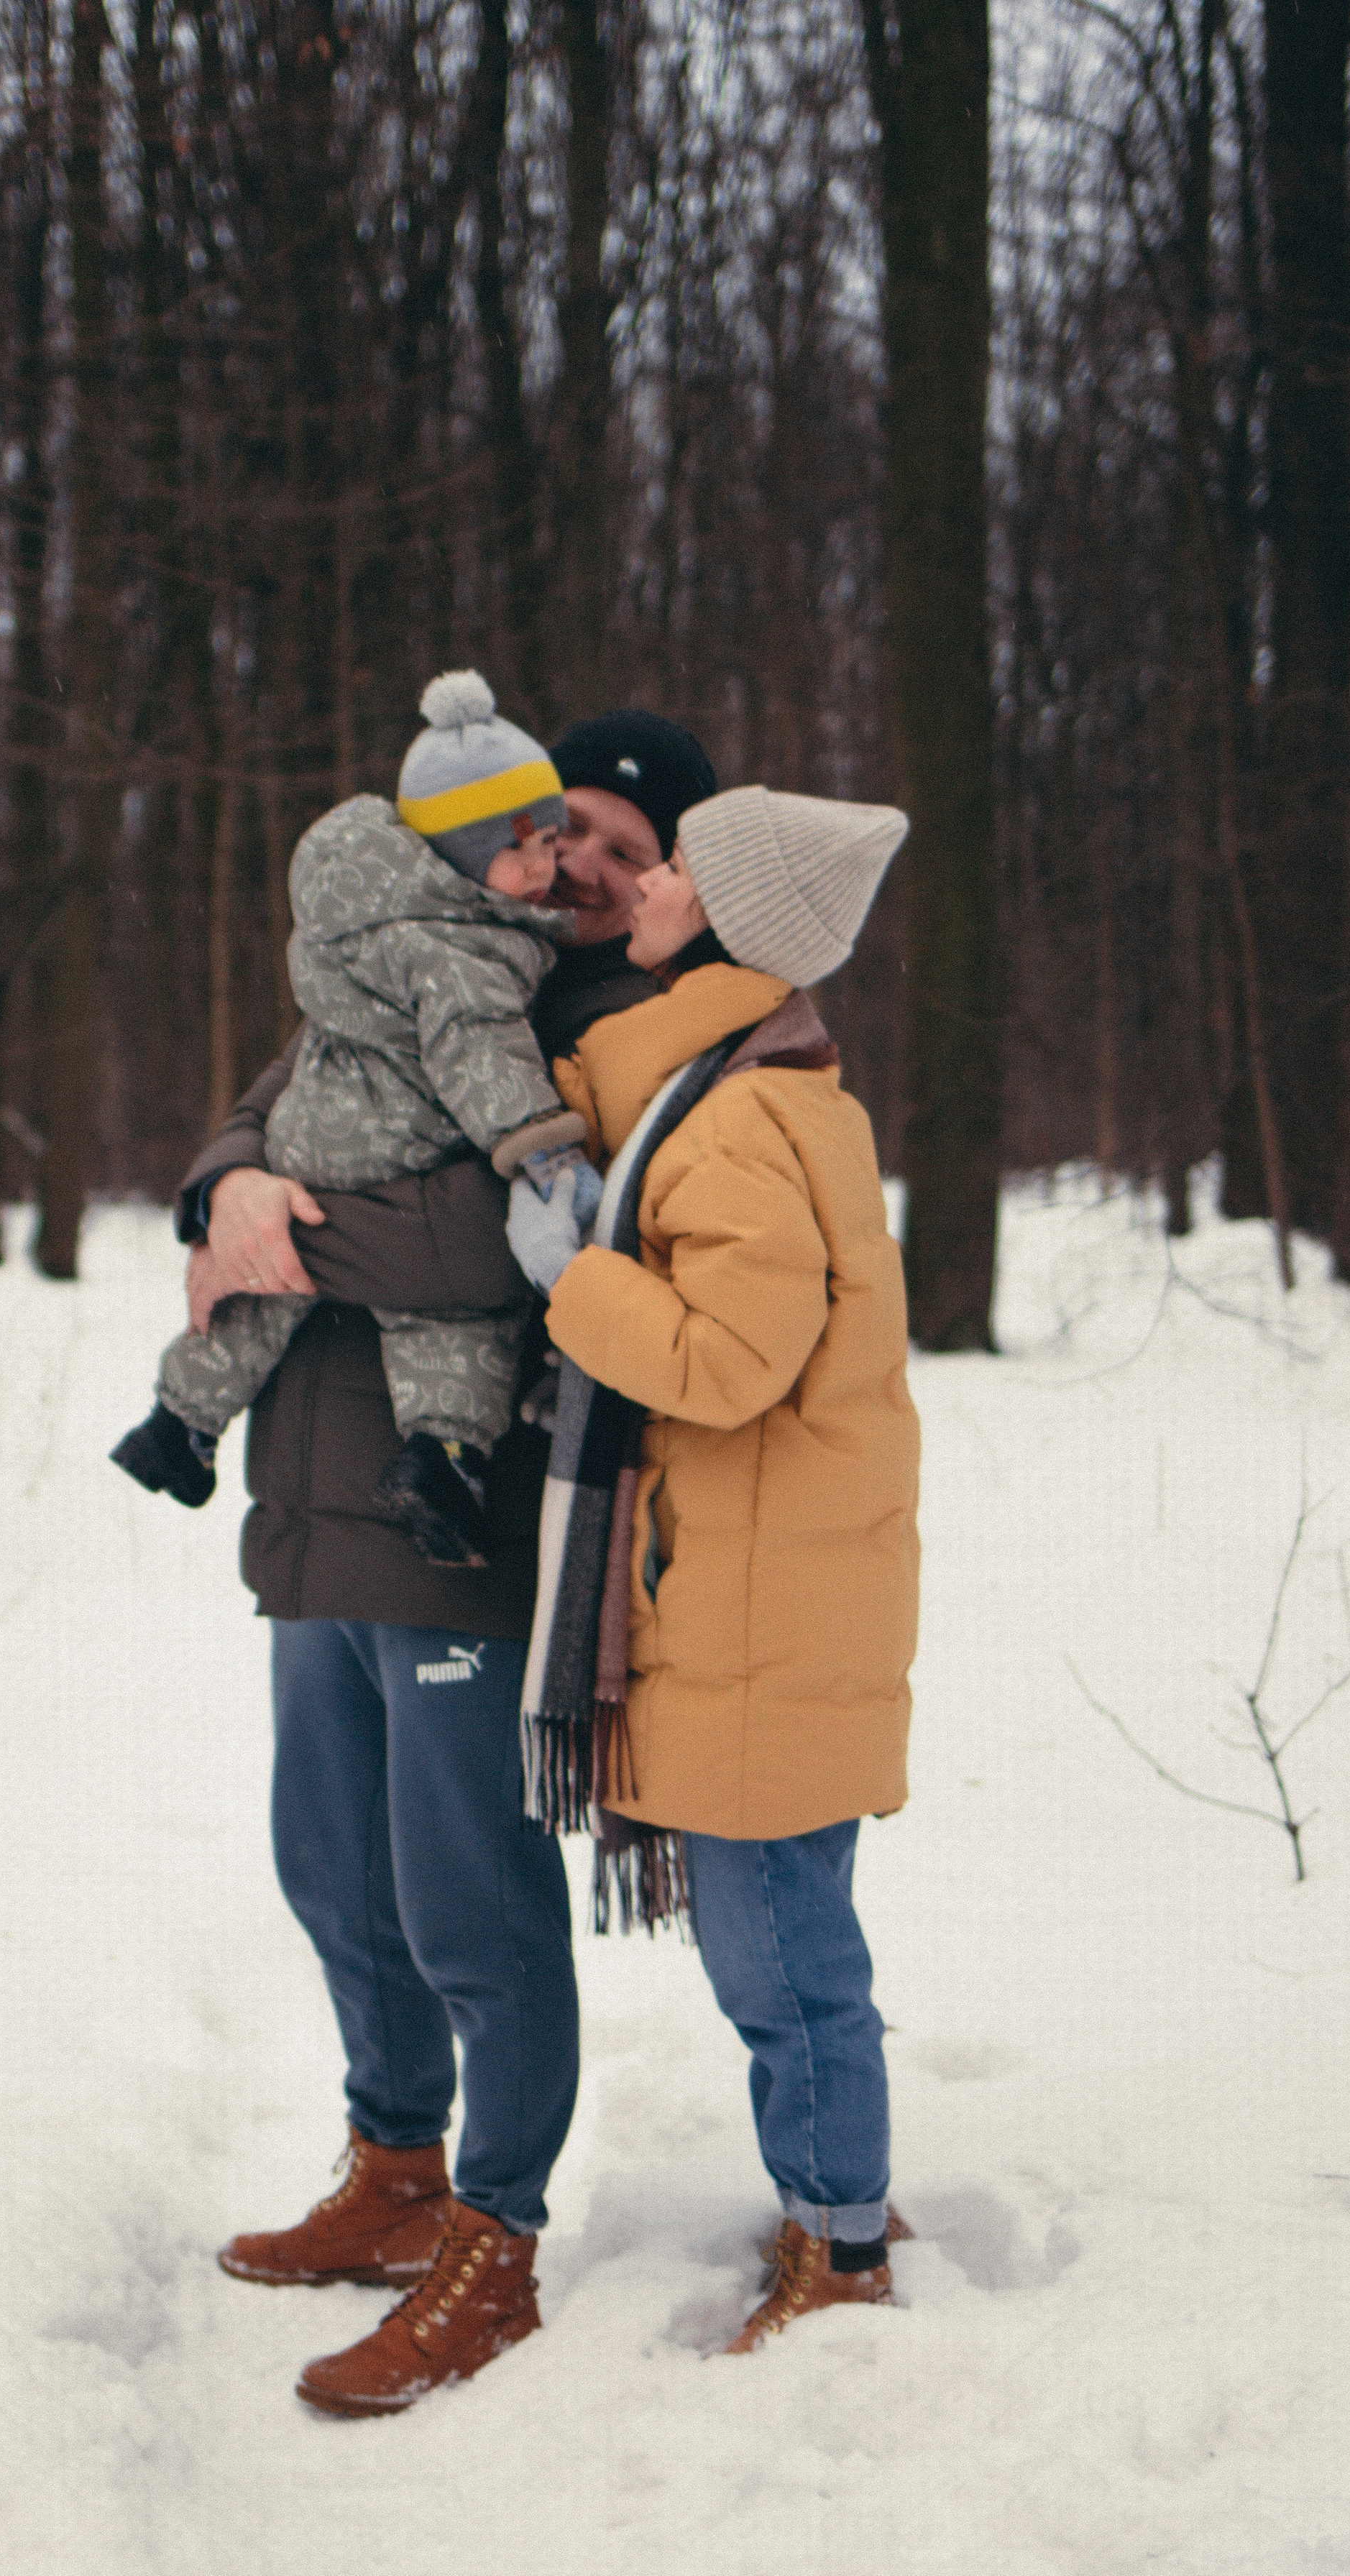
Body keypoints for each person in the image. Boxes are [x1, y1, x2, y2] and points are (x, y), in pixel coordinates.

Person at [170, 712, 717, 2418]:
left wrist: (283, 1233)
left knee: (462, 1895)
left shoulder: (615, 1024)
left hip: (461, 1511)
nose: (582, 872)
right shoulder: (412, 948)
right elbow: (249, 1119)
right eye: (565, 835)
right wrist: (228, 1187)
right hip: (309, 1499)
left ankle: (496, 2231)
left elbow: (503, 1257)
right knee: (330, 1870)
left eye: (624, 855)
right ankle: (393, 2167)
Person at [505, 784, 920, 2356]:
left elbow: (730, 1360)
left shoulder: (733, 1113)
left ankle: (839, 2245)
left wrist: (579, 1282)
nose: (648, 877)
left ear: (725, 919)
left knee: (779, 1961)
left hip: (760, 1602)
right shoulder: (746, 1081)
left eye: (676, 863)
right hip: (777, 1584)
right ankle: (839, 2195)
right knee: (790, 1933)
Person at [115, 671, 588, 1566]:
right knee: (447, 1327)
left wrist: (239, 1180)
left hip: (308, 1133)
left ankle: (180, 1421)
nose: (545, 871)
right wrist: (536, 1145)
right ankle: (444, 1453)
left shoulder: (360, 917)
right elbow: (480, 1050)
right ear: (455, 852)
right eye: (522, 850)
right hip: (400, 1149)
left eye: (551, 845)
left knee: (258, 1296)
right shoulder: (467, 948)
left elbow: (290, 1063)